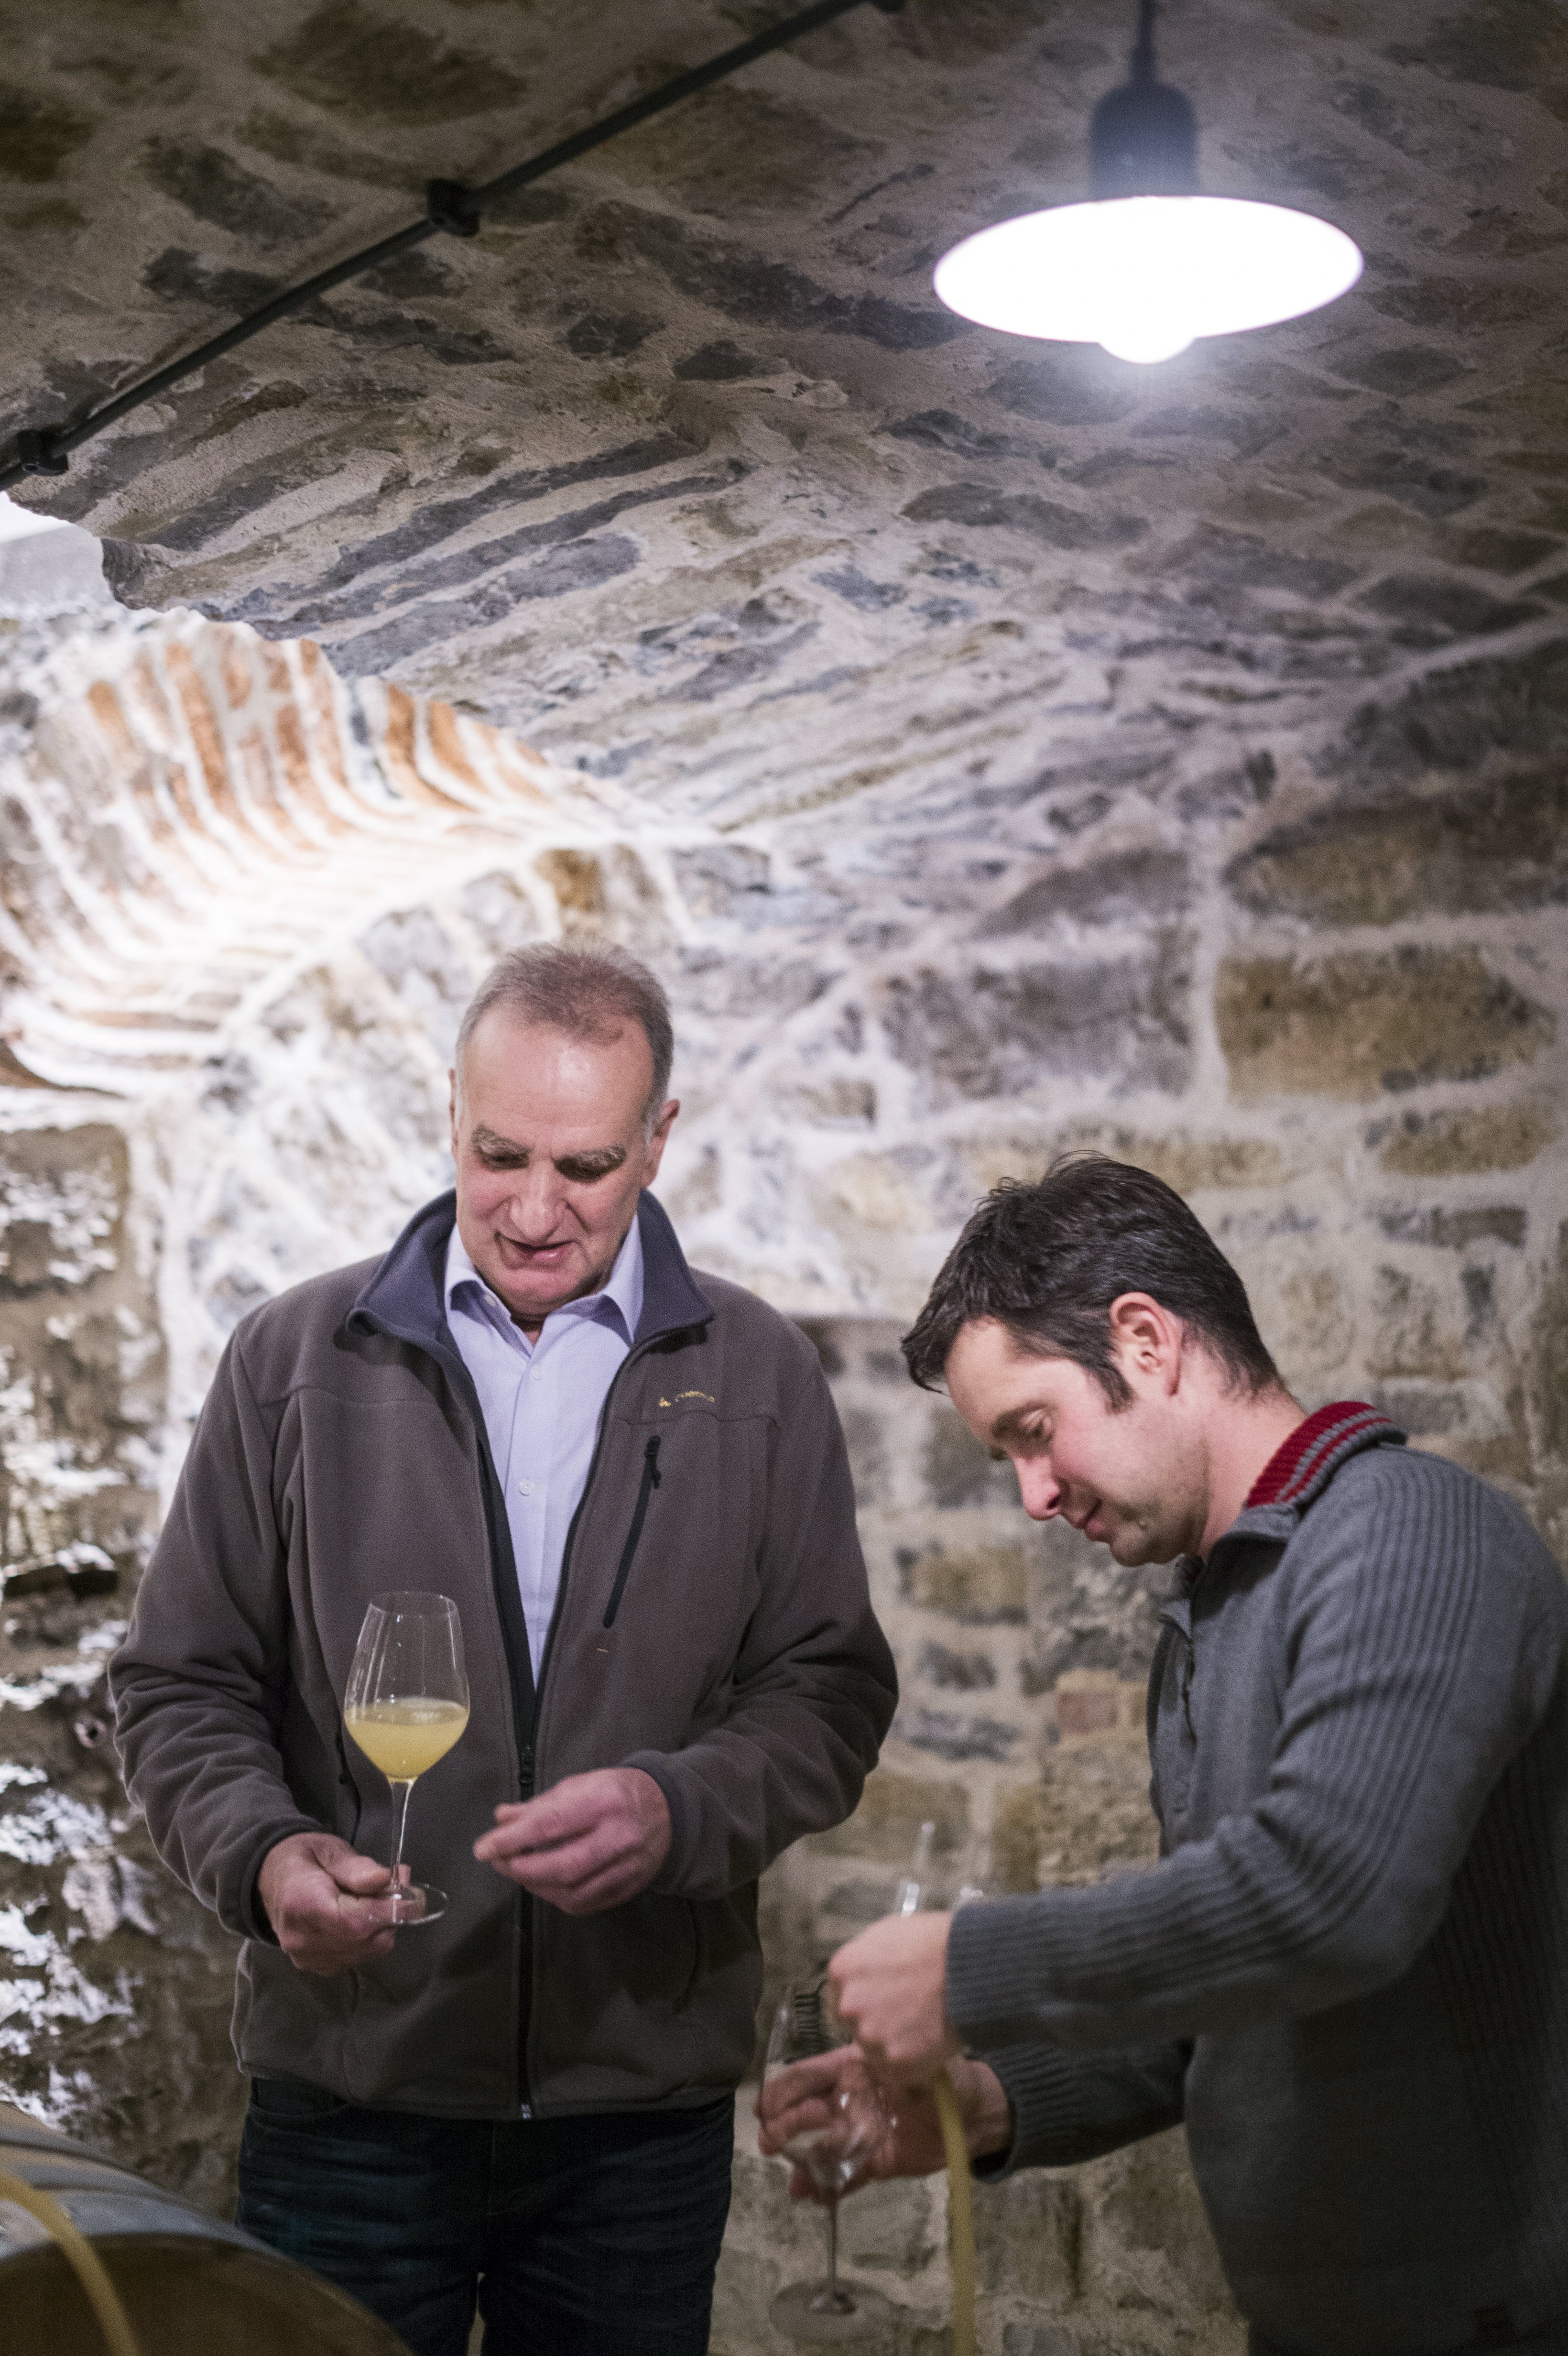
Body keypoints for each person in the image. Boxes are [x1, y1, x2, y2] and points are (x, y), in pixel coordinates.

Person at [112, 941, 897, 2356]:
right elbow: (181, 1685)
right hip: (350, 2100)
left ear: (659, 1142)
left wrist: (681, 1809)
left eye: (587, 1167)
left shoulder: (760, 1376)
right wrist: (264, 1856)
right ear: (449, 1115)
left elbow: (828, 1692)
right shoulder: (295, 1359)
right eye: (499, 1153)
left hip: (632, 2127)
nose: (535, 1210)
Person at [762, 1156, 1568, 2356]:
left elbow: (1330, 1896)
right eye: (1007, 1460)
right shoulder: (1209, 1617)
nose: (1034, 1494)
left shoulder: (1409, 1530)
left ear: (1144, 1340)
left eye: (1034, 1432)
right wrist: (985, 2106)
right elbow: (1223, 1998)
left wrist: (964, 1967)